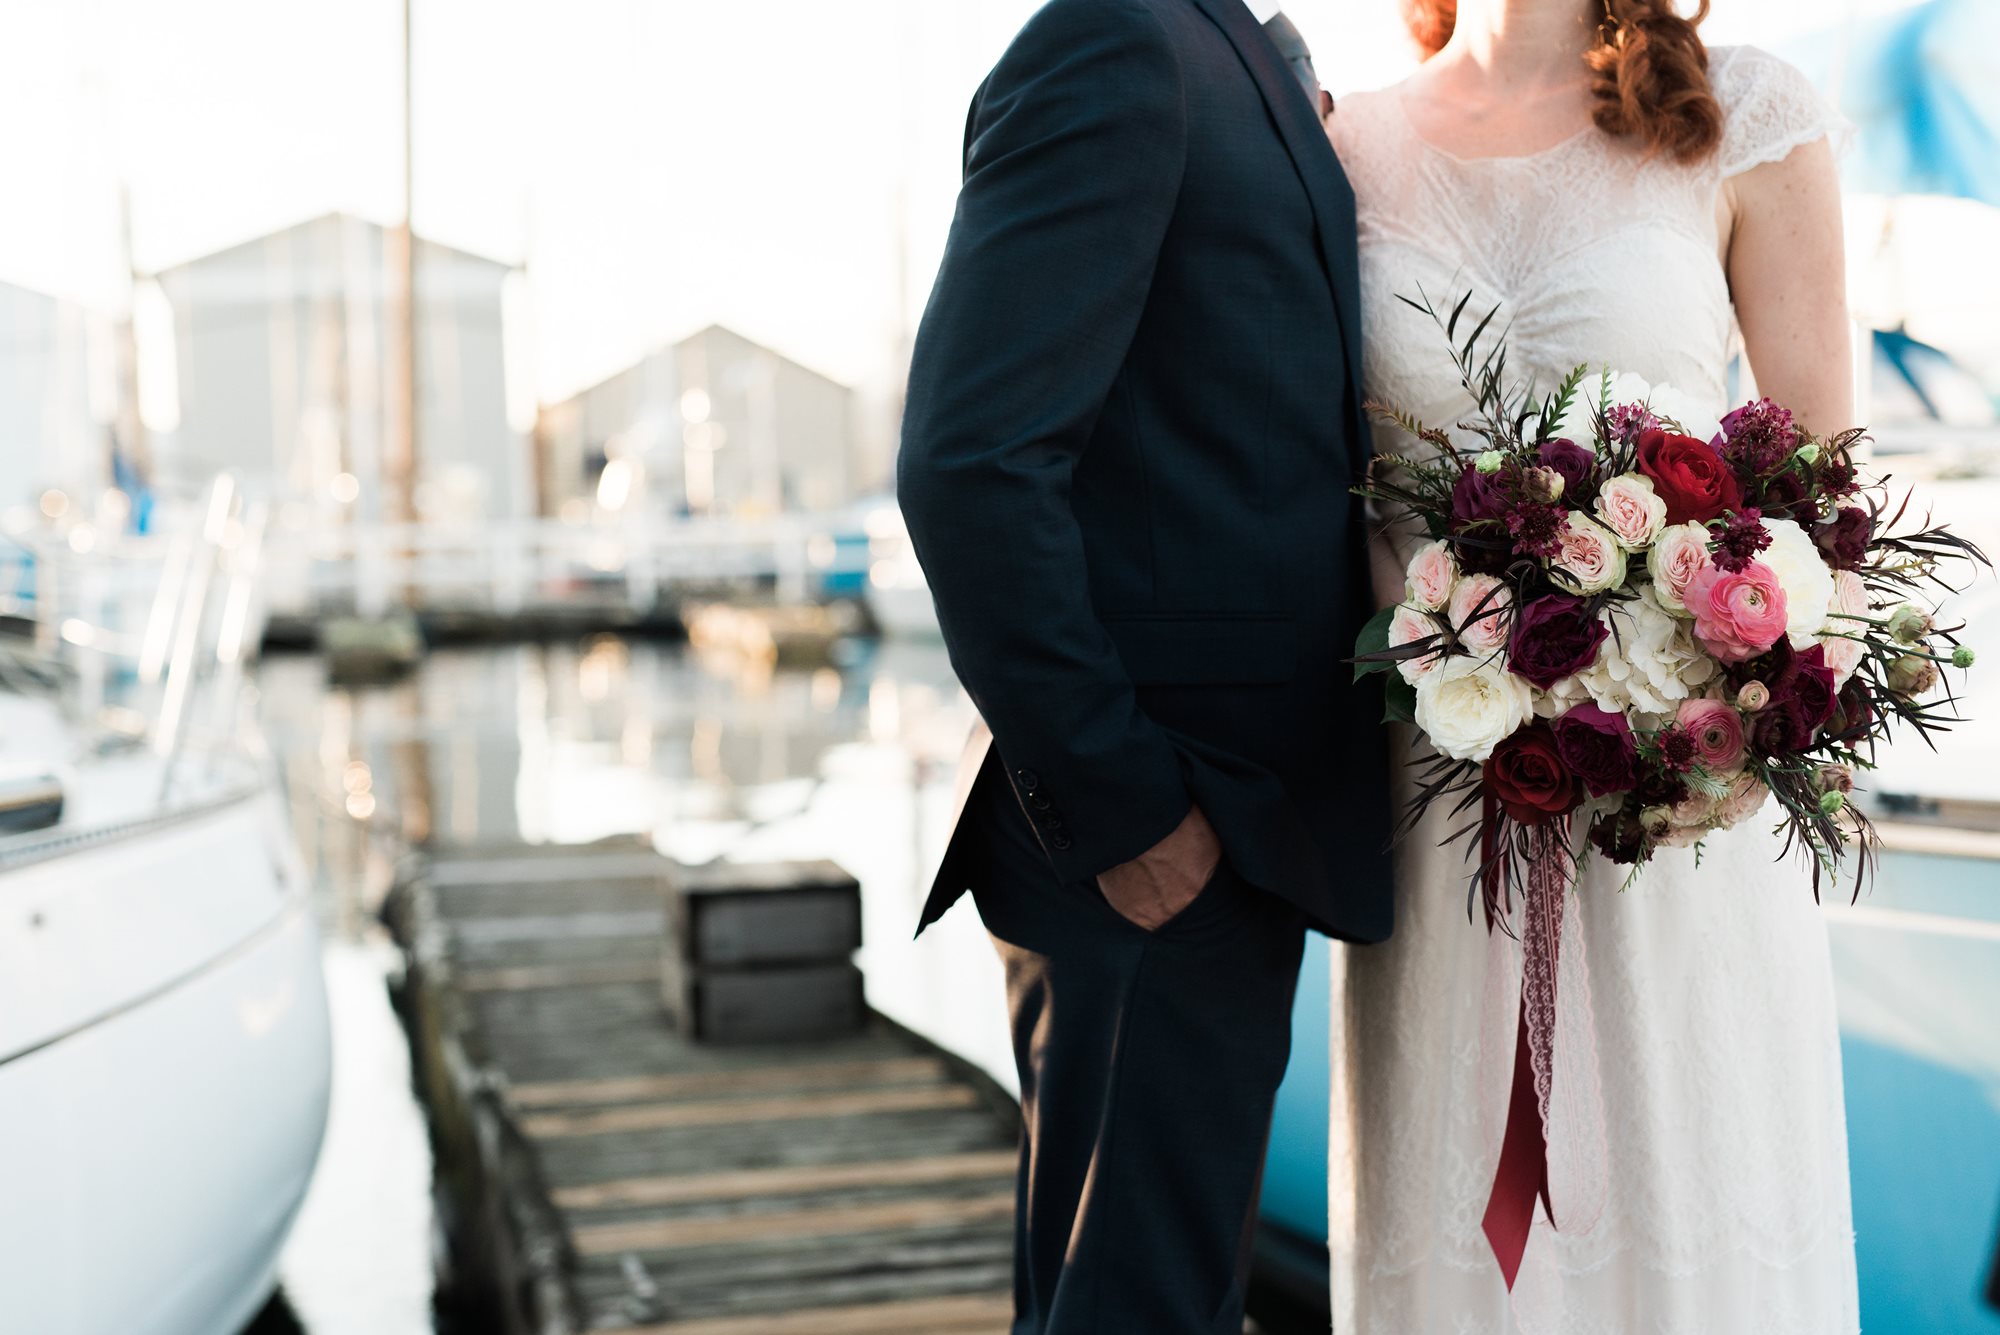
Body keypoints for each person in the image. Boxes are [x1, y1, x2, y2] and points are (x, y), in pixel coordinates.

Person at [1324, 1, 1860, 1331]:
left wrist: (1754, 733)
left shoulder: (1749, 114)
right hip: (1443, 802)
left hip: (1685, 823)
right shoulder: (1337, 145)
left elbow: (1824, 506)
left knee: (1693, 1215)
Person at [896, 0, 1392, 1330]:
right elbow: (971, 463)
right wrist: (1131, 808)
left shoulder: (1223, 46)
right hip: (1158, 825)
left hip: (1234, 820)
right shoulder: (1113, 40)